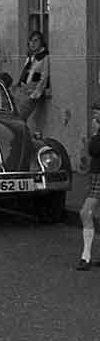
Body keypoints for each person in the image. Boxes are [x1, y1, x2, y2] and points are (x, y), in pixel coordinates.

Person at [76, 106, 100, 271]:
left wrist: (95, 135)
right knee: (90, 213)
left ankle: (86, 257)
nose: (94, 119)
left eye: (97, 115)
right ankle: (86, 256)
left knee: (85, 212)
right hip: (96, 175)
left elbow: (94, 150)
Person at [13, 30, 49, 121]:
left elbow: (44, 77)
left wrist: (34, 95)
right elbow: (26, 72)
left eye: (36, 41)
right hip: (22, 91)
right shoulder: (31, 56)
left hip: (31, 93)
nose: (33, 44)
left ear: (41, 42)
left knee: (20, 118)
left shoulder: (44, 57)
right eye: (31, 41)